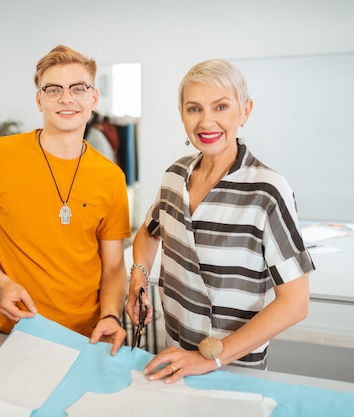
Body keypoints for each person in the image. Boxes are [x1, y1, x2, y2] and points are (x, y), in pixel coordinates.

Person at [126, 59, 314, 383]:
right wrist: (138, 278)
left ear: (245, 111)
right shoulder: (175, 176)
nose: (206, 121)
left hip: (235, 367)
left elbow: (295, 304)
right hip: (176, 355)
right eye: (194, 109)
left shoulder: (268, 190)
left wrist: (207, 360)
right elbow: (148, 231)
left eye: (221, 106)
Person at [0, 45, 131, 355]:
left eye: (78, 88)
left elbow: (114, 266)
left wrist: (110, 315)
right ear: (39, 99)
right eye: (54, 89)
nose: (67, 98)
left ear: (94, 98)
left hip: (88, 338)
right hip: (16, 331)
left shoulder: (111, 177)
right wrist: (2, 284)